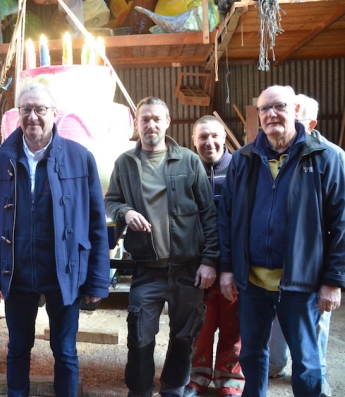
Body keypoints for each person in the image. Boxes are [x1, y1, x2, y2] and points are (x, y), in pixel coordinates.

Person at [0, 83, 110, 397]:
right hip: (17, 273)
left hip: (63, 273)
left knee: (65, 351)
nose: (33, 116)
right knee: (18, 348)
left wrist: (97, 280)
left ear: (54, 114)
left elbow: (96, 223)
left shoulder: (79, 158)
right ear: (17, 115)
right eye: (26, 110)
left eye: (40, 109)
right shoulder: (1, 161)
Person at [218, 85, 345, 397]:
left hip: (301, 283)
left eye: (279, 106)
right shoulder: (244, 158)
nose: (271, 114)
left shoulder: (325, 157)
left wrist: (333, 280)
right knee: (251, 354)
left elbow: (341, 222)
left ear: (296, 111)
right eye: (264, 109)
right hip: (252, 283)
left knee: (307, 362)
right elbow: (228, 217)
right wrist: (227, 268)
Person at [105, 97, 219, 397]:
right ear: (137, 124)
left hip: (187, 268)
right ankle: (140, 390)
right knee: (140, 336)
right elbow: (112, 200)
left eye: (156, 118)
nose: (150, 124)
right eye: (145, 119)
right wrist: (125, 212)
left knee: (184, 336)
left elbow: (209, 214)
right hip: (147, 269)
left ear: (168, 122)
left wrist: (209, 261)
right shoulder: (125, 163)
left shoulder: (188, 161)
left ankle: (173, 388)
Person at [266, 94, 343, 397]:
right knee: (276, 322)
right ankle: (276, 364)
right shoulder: (277, 156)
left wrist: (333, 279)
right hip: (277, 268)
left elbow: (340, 224)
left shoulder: (333, 157)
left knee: (315, 329)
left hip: (314, 269)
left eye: (299, 120)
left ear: (311, 123)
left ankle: (317, 375)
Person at [183, 116, 244, 397]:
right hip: (199, 266)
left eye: (214, 136)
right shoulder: (186, 172)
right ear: (193, 140)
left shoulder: (240, 170)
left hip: (235, 265)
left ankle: (229, 381)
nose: (209, 142)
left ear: (224, 138)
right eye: (202, 137)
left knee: (234, 326)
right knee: (201, 326)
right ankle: (197, 377)